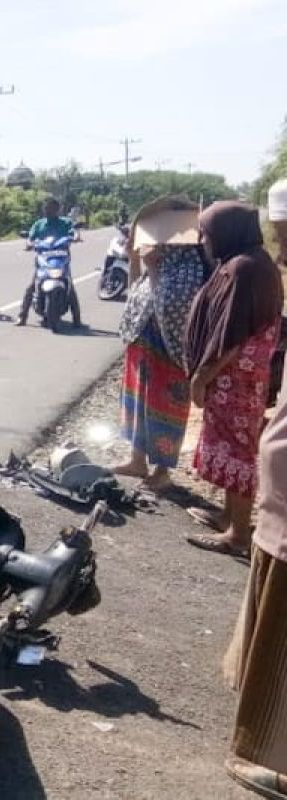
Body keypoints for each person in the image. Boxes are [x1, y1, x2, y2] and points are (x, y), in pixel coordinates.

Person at [220, 177, 287, 800]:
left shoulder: (249, 270)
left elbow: (235, 337)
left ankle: (267, 754)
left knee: (280, 643)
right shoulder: (270, 272)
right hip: (277, 499)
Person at [183, 200, 284, 558]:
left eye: (207, 232)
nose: (203, 240)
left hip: (235, 381)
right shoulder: (249, 263)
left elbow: (231, 335)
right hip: (239, 381)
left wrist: (202, 376)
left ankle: (238, 533)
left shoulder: (245, 268)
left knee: (237, 451)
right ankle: (228, 516)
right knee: (229, 446)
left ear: (227, 232)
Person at [112, 197, 210, 492]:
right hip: (143, 349)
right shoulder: (162, 264)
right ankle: (137, 459)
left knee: (164, 409)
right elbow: (134, 295)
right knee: (137, 404)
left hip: (168, 356)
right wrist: (135, 260)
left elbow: (170, 308)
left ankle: (162, 470)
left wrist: (152, 270)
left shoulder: (187, 272)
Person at [16, 196, 82, 327]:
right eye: (46, 208)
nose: (48, 211)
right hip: (44, 260)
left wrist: (76, 237)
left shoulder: (65, 222)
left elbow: (74, 232)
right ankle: (22, 316)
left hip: (61, 259)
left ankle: (77, 318)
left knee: (70, 286)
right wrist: (29, 244)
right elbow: (30, 238)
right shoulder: (39, 224)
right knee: (31, 286)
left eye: (51, 208)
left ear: (58, 209)